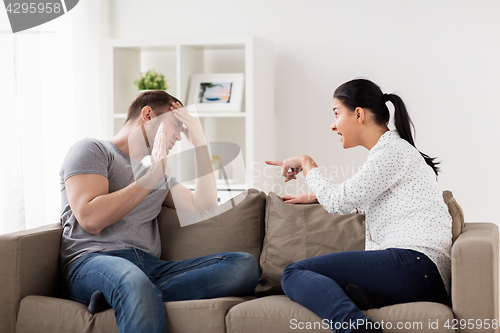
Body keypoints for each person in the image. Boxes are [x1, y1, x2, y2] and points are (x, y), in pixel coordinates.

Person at [59, 91, 259, 333]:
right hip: (92, 261)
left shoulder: (158, 177)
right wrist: (152, 176)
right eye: (176, 124)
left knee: (244, 266)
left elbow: (205, 205)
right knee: (132, 281)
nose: (179, 135)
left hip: (150, 268)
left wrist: (199, 141)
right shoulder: (93, 150)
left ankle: (118, 296)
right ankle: (128, 292)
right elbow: (91, 219)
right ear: (147, 115)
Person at [266, 79, 452, 333]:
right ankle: (363, 305)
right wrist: (317, 195)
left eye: (336, 113)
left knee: (294, 273)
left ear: (358, 114)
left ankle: (357, 329)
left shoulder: (392, 152)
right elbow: (373, 203)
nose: (333, 125)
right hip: (419, 271)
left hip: (416, 265)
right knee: (324, 283)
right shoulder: (390, 152)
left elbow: (337, 202)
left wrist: (306, 162)